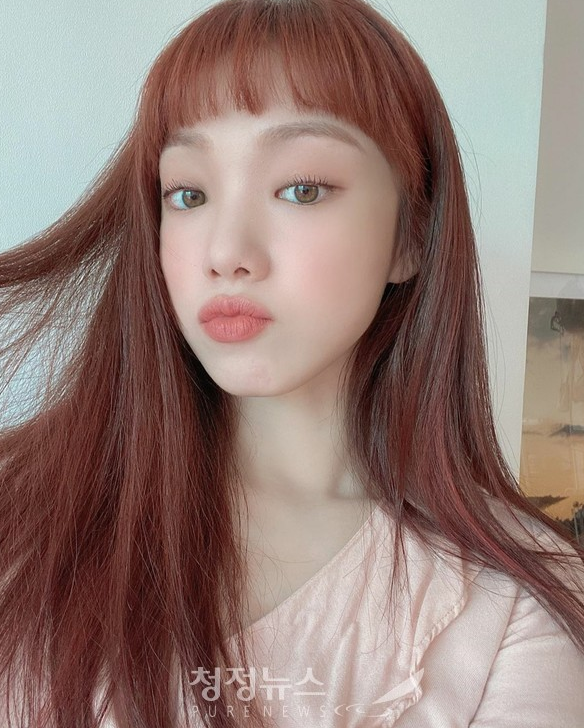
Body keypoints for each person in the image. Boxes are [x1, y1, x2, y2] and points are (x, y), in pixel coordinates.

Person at [0, 0, 583, 725]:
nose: (226, 253)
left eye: (301, 188)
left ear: (411, 236)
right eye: (188, 194)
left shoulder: (513, 604)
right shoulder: (21, 506)